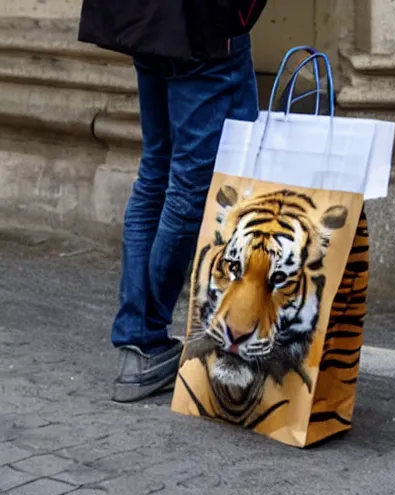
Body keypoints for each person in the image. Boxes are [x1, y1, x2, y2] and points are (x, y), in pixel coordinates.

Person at [77, 0, 267, 402]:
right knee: (190, 186)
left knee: (156, 175)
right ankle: (145, 337)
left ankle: (137, 341)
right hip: (203, 29)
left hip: (146, 20)